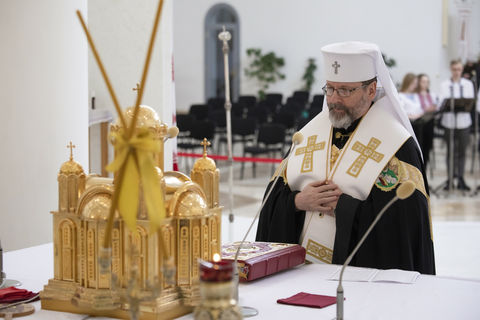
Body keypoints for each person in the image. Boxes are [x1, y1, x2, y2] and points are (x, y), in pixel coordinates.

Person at [256, 41, 435, 275]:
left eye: (345, 90)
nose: (334, 100)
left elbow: (403, 224)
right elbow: (273, 200)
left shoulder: (396, 144)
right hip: (298, 274)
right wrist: (297, 202)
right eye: (329, 89)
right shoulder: (309, 134)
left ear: (371, 90)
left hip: (356, 283)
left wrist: (345, 208)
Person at [439, 60, 475, 191]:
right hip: (449, 123)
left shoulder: (468, 84)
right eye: (454, 69)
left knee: (462, 152)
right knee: (450, 152)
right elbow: (442, 102)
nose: (456, 72)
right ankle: (450, 179)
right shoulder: (444, 85)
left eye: (459, 69)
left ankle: (460, 178)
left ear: (462, 69)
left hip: (464, 123)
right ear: (450, 69)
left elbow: (469, 101)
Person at [415, 73, 438, 171]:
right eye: (423, 81)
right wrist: (425, 109)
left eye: (427, 82)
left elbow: (436, 107)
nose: (425, 84)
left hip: (429, 124)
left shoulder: (431, 95)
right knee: (419, 150)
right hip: (418, 125)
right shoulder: (414, 95)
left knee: (427, 149)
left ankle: (425, 174)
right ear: (419, 83)